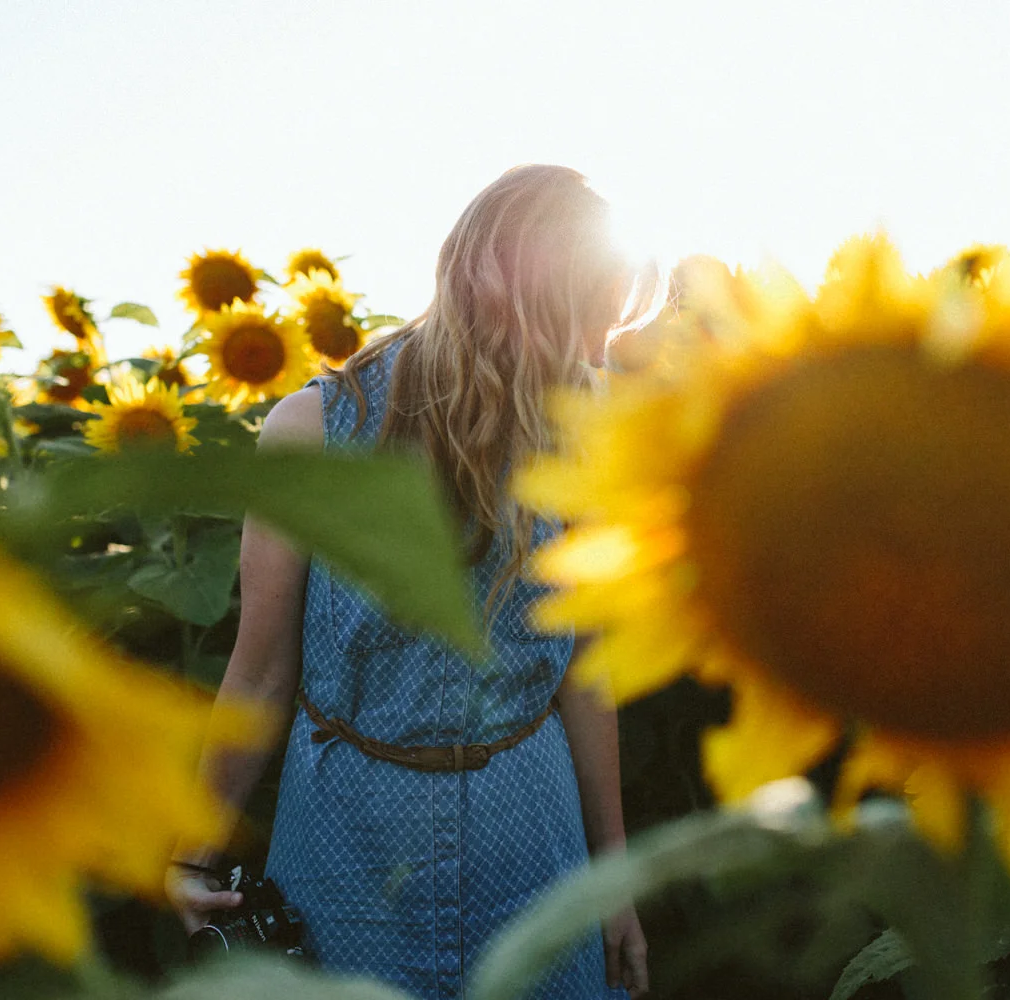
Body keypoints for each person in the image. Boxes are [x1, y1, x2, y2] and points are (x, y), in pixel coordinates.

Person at [167, 164, 656, 999]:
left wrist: (614, 885)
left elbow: (584, 670)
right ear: (517, 297)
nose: (600, 355)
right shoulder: (313, 429)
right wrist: (191, 852)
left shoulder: (583, 431)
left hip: (531, 833)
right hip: (347, 841)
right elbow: (261, 670)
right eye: (589, 322)